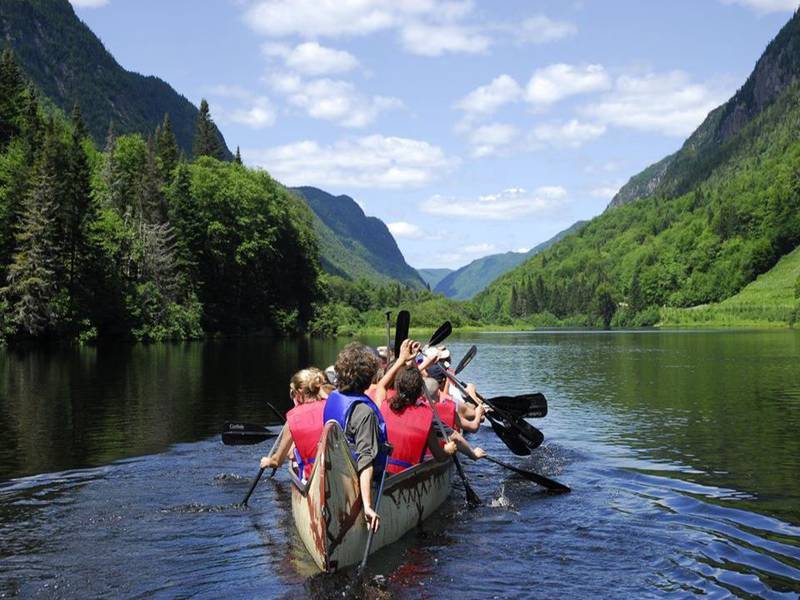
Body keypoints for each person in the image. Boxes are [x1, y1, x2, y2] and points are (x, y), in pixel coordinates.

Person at [323, 342, 391, 533]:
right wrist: (368, 506)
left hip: (336, 476)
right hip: (357, 481)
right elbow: (366, 460)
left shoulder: (333, 398)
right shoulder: (364, 413)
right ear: (369, 379)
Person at [259, 368, 327, 480]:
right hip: (334, 471)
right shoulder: (330, 405)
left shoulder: (293, 417)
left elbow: (277, 461)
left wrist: (268, 461)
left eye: (292, 392)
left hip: (313, 476)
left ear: (299, 392)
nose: (292, 395)